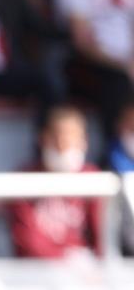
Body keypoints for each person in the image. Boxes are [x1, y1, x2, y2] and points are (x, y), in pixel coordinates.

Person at [6, 104, 106, 260]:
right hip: (36, 271)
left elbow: (102, 235)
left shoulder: (93, 179)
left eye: (70, 139)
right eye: (56, 138)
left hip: (84, 272)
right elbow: (26, 240)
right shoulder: (24, 179)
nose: (63, 146)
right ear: (42, 138)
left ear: (84, 141)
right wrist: (65, 259)